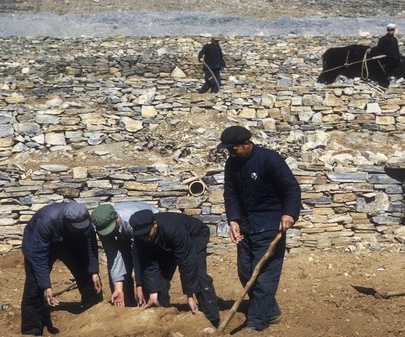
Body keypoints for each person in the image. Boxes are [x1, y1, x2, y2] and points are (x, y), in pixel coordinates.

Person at [218, 125, 301, 332]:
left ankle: (255, 323)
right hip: (246, 227)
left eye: (234, 148)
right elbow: (230, 194)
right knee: (245, 272)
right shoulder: (232, 164)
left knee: (265, 276)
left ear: (247, 144)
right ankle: (270, 311)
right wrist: (234, 220)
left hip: (270, 226)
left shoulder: (270, 159)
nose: (231, 152)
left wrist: (289, 213)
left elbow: (291, 187)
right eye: (229, 149)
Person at [21, 202, 102, 336]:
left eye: (81, 227)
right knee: (34, 286)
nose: (79, 229)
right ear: (66, 221)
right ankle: (31, 328)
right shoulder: (46, 222)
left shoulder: (84, 222)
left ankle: (93, 312)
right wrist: (46, 286)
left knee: (88, 277)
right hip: (38, 245)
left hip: (70, 242)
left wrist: (94, 271)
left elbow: (90, 245)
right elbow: (39, 256)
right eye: (75, 227)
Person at [129, 209, 220, 327]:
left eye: (147, 233)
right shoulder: (141, 236)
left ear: (154, 224)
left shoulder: (173, 229)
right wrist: (153, 292)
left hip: (194, 237)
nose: (144, 238)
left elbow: (186, 261)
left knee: (199, 275)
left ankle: (212, 321)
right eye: (141, 236)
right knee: (158, 281)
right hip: (165, 243)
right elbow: (149, 263)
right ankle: (162, 313)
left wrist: (189, 295)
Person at [90, 201, 159, 308]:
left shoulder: (131, 221)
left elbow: (141, 255)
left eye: (111, 228)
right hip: (125, 236)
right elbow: (113, 254)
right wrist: (118, 286)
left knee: (146, 267)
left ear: (117, 218)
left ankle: (150, 301)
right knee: (121, 274)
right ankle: (126, 305)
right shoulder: (102, 225)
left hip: (147, 233)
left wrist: (139, 285)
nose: (108, 233)